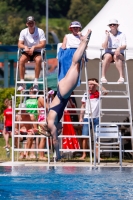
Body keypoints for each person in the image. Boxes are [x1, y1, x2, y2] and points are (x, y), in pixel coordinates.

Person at [47, 29, 92, 161]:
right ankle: (84, 43)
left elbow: (55, 140)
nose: (60, 130)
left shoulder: (51, 123)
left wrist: (57, 154)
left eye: (57, 130)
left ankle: (84, 42)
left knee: (75, 65)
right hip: (62, 90)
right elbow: (58, 131)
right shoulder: (53, 119)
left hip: (63, 93)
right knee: (76, 65)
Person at [79, 78, 107, 160]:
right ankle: (84, 154)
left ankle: (97, 155)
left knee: (97, 137)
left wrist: (98, 84)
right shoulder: (85, 94)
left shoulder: (99, 93)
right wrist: (81, 117)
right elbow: (83, 106)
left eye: (92, 84)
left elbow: (106, 92)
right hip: (87, 118)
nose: (90, 86)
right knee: (84, 136)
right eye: (89, 84)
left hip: (96, 118)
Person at [18, 16, 46, 91]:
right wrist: (25, 47)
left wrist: (34, 47)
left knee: (38, 60)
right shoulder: (23, 32)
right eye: (29, 23)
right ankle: (22, 82)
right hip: (27, 51)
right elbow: (19, 44)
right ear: (26, 24)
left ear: (35, 23)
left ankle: (36, 82)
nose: (31, 24)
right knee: (21, 60)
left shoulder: (40, 31)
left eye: (32, 23)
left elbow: (43, 44)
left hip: (37, 51)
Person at [58, 21, 87, 86]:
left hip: (78, 50)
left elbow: (85, 46)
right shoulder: (67, 36)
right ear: (71, 29)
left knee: (80, 61)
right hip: (69, 51)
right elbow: (63, 45)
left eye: (77, 27)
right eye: (74, 28)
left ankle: (76, 78)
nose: (75, 29)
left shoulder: (83, 37)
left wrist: (81, 37)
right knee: (63, 59)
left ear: (79, 28)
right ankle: (64, 78)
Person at [101, 19, 126, 84]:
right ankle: (103, 76)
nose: (112, 26)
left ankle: (121, 77)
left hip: (118, 53)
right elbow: (104, 46)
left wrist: (119, 48)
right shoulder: (105, 34)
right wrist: (107, 36)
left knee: (116, 56)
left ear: (117, 25)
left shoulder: (122, 34)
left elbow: (124, 45)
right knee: (107, 56)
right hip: (108, 53)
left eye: (114, 24)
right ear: (109, 26)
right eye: (111, 25)